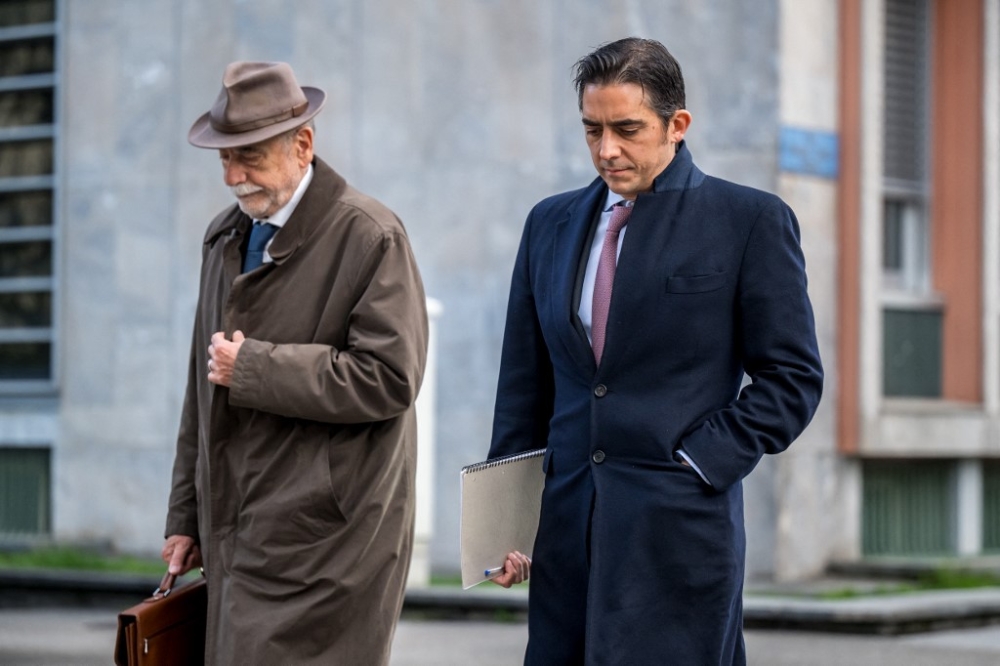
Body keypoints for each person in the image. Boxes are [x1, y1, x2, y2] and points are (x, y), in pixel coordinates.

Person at [487, 38, 823, 664]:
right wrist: (503, 522)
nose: (606, 149)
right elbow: (524, 384)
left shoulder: (748, 221)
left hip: (680, 535)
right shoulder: (549, 224)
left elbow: (792, 378)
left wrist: (697, 462)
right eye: (592, 130)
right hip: (566, 534)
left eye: (626, 129)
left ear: (677, 126)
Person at [161, 61, 428, 665]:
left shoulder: (370, 235)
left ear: (302, 144)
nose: (232, 176)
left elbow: (390, 379)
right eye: (224, 158)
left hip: (328, 549)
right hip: (238, 532)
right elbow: (198, 394)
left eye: (248, 156)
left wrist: (254, 367)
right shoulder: (223, 236)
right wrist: (185, 516)